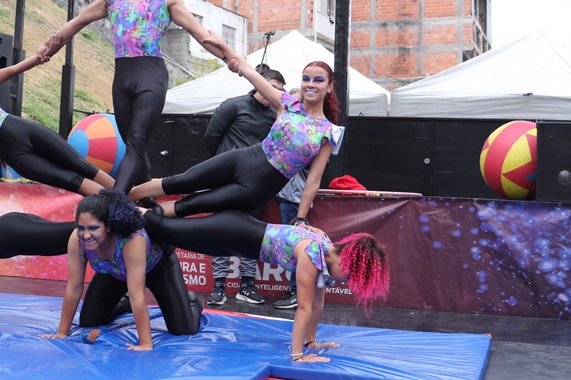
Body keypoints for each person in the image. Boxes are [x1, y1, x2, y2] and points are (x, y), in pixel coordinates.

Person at [37, 0, 229, 196]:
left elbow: (200, 35)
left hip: (151, 77)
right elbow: (79, 21)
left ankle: (115, 201)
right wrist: (52, 45)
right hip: (121, 78)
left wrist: (232, 58)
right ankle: (145, 200)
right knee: (132, 146)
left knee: (138, 140)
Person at [129, 33, 342, 223]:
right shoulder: (287, 104)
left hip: (257, 187)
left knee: (191, 205)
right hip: (242, 158)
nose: (310, 84)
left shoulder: (329, 132)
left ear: (329, 87)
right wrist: (224, 45)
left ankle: (129, 215)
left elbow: (313, 181)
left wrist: (301, 219)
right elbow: (249, 71)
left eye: (318, 80)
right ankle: (119, 197)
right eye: (306, 79)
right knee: (180, 181)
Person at [138, 207, 389, 363]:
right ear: (346, 264)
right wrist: (298, 355)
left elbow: (318, 301)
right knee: (164, 228)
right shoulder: (313, 255)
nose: (343, 281)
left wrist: (312, 340)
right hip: (232, 230)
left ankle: (143, 212)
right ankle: (126, 206)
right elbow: (303, 308)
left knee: (170, 236)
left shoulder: (326, 246)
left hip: (237, 237)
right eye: (348, 277)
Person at [0, 54, 114, 209]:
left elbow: (12, 70)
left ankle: (136, 199)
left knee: (83, 167)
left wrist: (39, 57)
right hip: (16, 156)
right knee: (72, 180)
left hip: (28, 132)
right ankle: (125, 205)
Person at [44, 190, 202, 348]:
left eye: (93, 228)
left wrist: (145, 343)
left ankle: (192, 301)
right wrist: (62, 332)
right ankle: (123, 304)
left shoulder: (131, 240)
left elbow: (137, 295)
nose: (86, 235)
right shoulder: (77, 239)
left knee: (183, 329)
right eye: (81, 228)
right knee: (89, 322)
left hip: (158, 269)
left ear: (108, 226)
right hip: (114, 273)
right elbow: (74, 287)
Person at [204, 69, 286, 307]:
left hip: (258, 184)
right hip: (226, 180)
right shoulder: (234, 105)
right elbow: (211, 138)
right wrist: (225, 166)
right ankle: (219, 284)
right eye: (271, 86)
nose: (275, 92)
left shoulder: (276, 114)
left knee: (253, 233)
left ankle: (247, 284)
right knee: (219, 229)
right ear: (259, 84)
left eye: (280, 90)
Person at [273, 88, 308, 310]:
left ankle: (296, 292)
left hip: (294, 199)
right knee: (292, 247)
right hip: (288, 196)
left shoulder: (302, 132)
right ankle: (295, 291)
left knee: (295, 247)